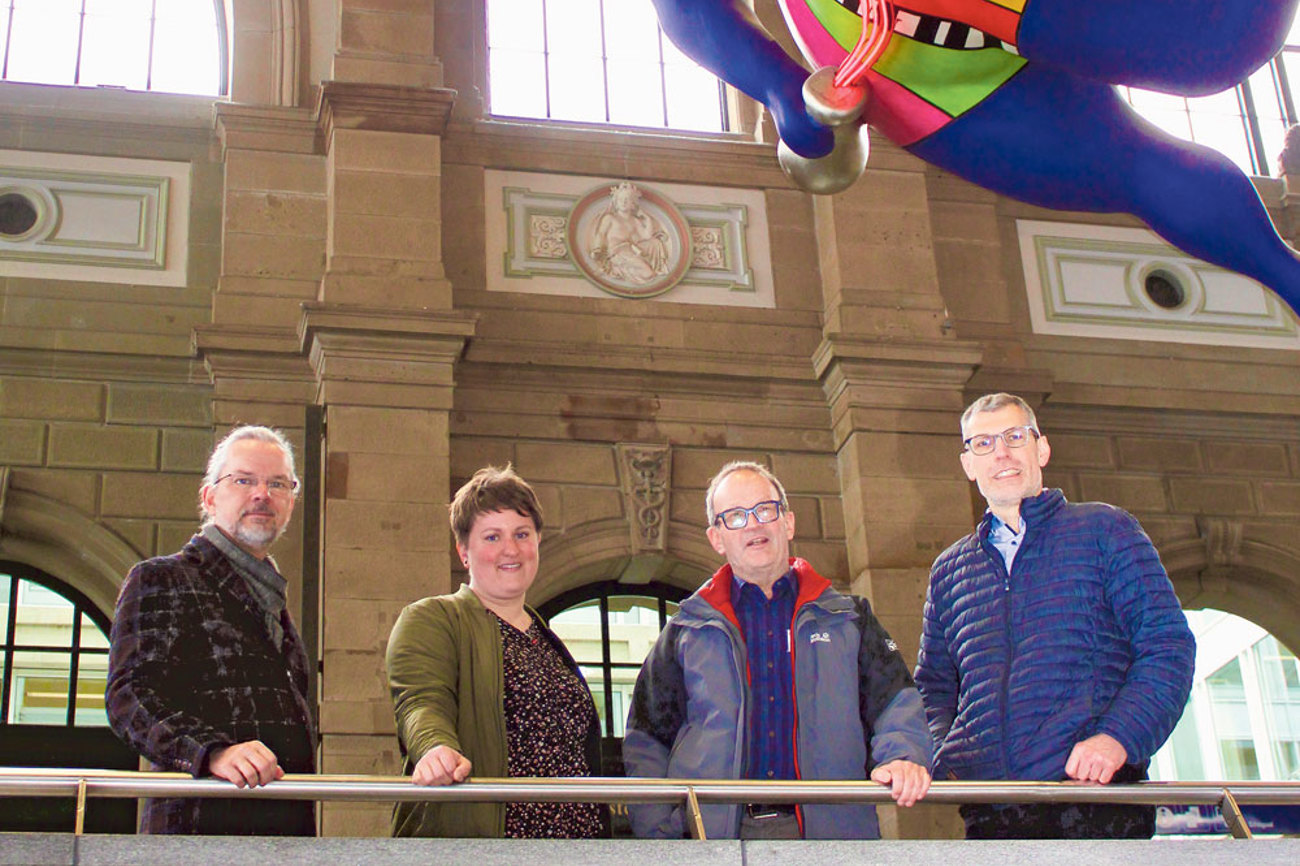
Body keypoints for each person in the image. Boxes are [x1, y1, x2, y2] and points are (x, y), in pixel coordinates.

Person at [915, 392, 1196, 839]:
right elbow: (934, 683)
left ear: (1041, 448)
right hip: (990, 813)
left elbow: (1167, 647)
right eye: (983, 444)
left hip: (1095, 802)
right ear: (968, 465)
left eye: (1014, 436)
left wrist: (1117, 738)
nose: (1001, 452)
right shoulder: (950, 570)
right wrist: (949, 754)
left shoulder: (1105, 530)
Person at [623, 461, 932, 840]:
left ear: (787, 522)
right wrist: (661, 830)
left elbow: (896, 703)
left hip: (830, 839)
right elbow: (646, 738)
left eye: (764, 510)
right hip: (716, 840)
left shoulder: (850, 619)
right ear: (717, 537)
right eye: (735, 516)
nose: (753, 524)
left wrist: (903, 756)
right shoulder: (685, 631)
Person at [105, 425, 315, 835]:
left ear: (290, 501)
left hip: (283, 837)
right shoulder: (162, 577)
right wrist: (211, 752)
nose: (262, 494)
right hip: (197, 831)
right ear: (209, 496)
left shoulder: (274, 603)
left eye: (277, 483)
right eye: (243, 480)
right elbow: (128, 697)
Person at [386, 465, 606, 838]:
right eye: (492, 537)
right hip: (489, 848)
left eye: (522, 534)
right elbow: (421, 702)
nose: (511, 549)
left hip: (576, 849)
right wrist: (434, 747)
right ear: (463, 551)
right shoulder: (433, 618)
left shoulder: (548, 641)